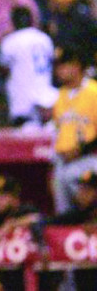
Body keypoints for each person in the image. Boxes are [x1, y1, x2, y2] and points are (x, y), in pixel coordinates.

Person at [49, 46, 97, 214]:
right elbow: (59, 132)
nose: (59, 70)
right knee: (60, 186)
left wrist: (81, 150)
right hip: (63, 160)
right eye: (57, 66)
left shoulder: (93, 91)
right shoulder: (60, 95)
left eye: (63, 65)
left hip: (89, 158)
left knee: (67, 179)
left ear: (77, 65)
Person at [0, 6, 54, 127]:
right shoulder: (45, 39)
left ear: (13, 22)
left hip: (22, 100)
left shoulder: (10, 41)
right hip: (46, 97)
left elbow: (2, 70)